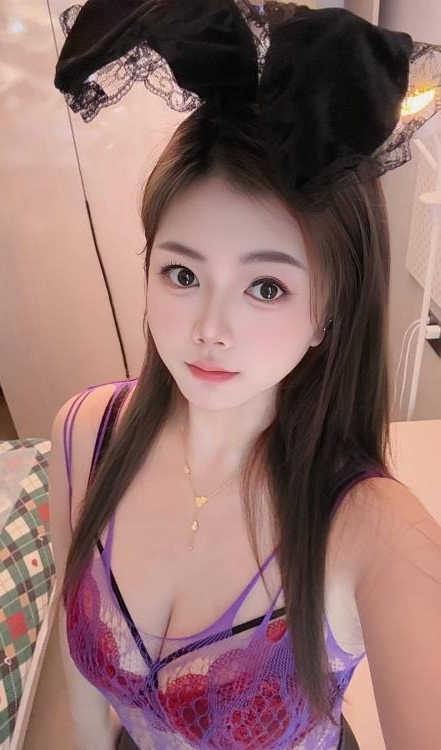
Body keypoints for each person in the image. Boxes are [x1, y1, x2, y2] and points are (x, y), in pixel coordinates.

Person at [49, 2, 441, 749]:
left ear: (328, 312)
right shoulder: (84, 433)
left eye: (266, 286)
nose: (210, 327)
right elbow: (83, 700)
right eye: (182, 273)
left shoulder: (377, 535)